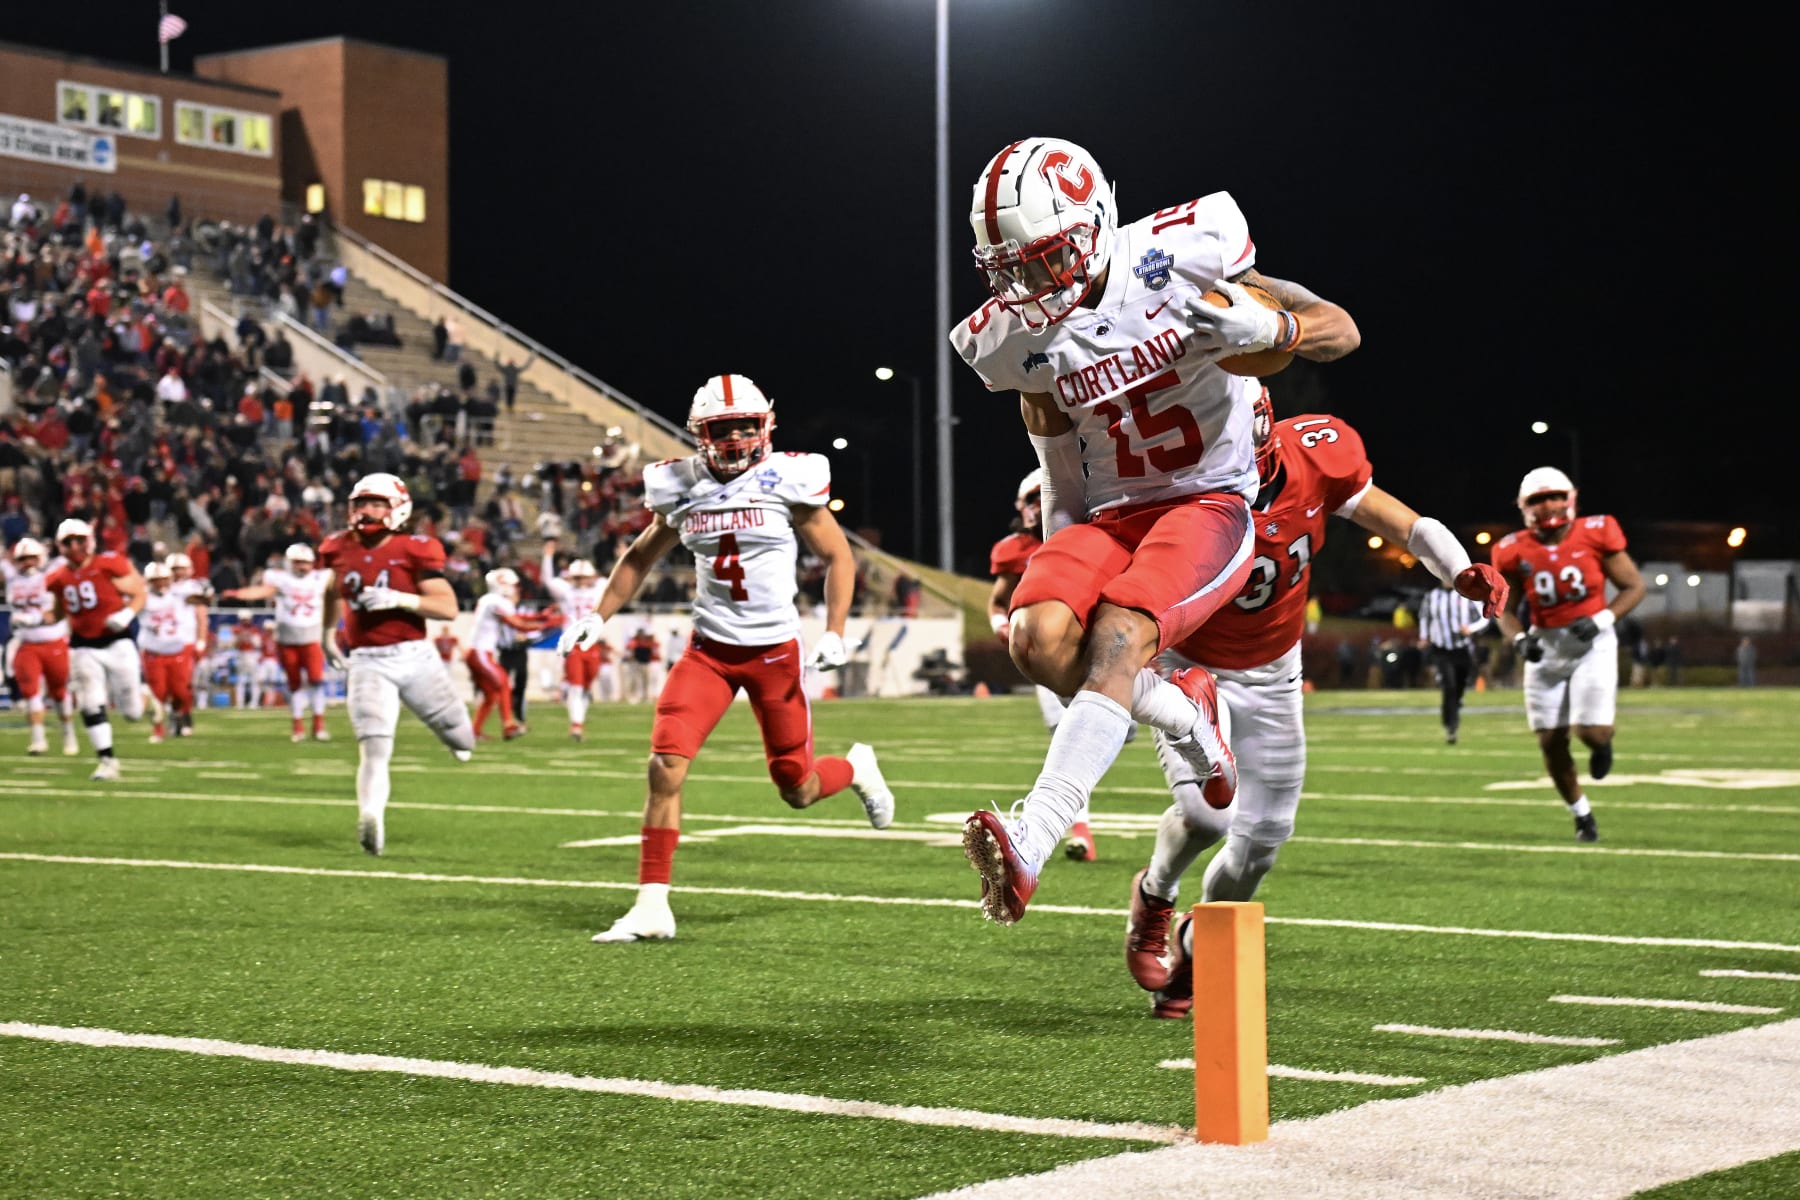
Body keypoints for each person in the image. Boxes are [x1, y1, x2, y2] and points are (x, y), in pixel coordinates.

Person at [948, 136, 1361, 924]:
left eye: (1043, 259)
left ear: (1096, 222)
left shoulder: (1189, 249)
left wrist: (1278, 336)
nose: (1027, 285)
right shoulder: (1010, 336)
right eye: (1010, 268)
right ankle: (1181, 707)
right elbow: (1055, 453)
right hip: (1112, 511)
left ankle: (1035, 831)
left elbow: (1338, 327)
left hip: (1206, 501)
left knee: (1120, 636)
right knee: (1034, 639)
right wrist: (1060, 556)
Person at [1123, 398, 1506, 1017]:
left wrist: (1458, 570)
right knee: (1208, 817)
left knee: (1263, 840)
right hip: (1188, 666)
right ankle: (1154, 895)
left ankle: (1196, 947)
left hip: (1275, 672)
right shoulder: (1167, 482)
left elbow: (1401, 523)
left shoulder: (1315, 453)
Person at [558, 373, 897, 943]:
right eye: (724, 427)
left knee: (797, 788)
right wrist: (597, 615)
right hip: (709, 653)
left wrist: (835, 630)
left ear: (765, 426)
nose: (738, 437)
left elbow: (839, 557)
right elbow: (638, 558)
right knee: (664, 764)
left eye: (746, 425)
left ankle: (856, 767)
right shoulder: (678, 486)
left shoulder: (789, 478)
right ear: (700, 433)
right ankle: (651, 904)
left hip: (773, 655)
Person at [319, 473, 477, 855]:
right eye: (361, 503)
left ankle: (445, 732)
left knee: (463, 740)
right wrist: (326, 635)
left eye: (377, 503)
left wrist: (400, 599)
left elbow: (448, 607)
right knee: (374, 747)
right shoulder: (338, 547)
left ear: (398, 509)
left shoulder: (415, 548)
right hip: (368, 662)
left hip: (415, 657)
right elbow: (330, 590)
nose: (367, 511)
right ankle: (371, 815)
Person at [1491, 467, 1646, 843]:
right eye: (1537, 500)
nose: (1546, 506)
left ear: (1570, 497)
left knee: (1589, 732)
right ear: (1522, 506)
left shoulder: (1597, 531)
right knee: (1549, 740)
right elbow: (1501, 607)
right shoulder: (1510, 549)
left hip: (1592, 641)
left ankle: (1603, 743)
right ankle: (1582, 815)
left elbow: (1633, 586)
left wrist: (1602, 618)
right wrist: (1517, 639)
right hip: (1545, 644)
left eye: (1553, 497)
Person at [988, 467, 1114, 862]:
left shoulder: (1091, 536)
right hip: (1050, 654)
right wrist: (1000, 623)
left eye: (1041, 495)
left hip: (1100, 648)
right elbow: (998, 599)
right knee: (1067, 732)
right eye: (1030, 498)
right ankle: (1078, 828)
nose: (1036, 506)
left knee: (1115, 729)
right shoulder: (1014, 549)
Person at [45, 519, 147, 781]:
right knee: (89, 703)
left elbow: (139, 592)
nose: (75, 546)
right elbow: (59, 611)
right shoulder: (57, 577)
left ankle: (147, 697)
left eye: (79, 539)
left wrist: (126, 615)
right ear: (60, 545)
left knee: (132, 713)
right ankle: (107, 760)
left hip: (116, 640)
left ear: (89, 540)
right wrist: (37, 619)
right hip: (82, 645)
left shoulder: (108, 564)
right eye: (68, 542)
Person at [222, 544, 333, 742]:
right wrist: (240, 594)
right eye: (297, 562)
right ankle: (297, 725)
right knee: (294, 684)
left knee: (317, 680)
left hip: (311, 639)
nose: (302, 567)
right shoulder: (281, 579)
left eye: (305, 563)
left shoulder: (321, 578)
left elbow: (339, 586)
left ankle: (318, 724)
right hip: (287, 639)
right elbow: (264, 591)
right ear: (289, 563)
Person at [3, 538, 81, 756]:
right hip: (27, 643)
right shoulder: (10, 578)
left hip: (53, 640)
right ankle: (38, 739)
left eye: (32, 558)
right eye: (23, 559)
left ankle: (68, 732)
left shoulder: (53, 574)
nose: (28, 562)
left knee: (59, 692)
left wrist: (35, 619)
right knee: (30, 692)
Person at [466, 567, 553, 740]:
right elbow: (517, 624)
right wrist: (544, 625)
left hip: (480, 653)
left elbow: (518, 619)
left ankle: (474, 731)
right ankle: (509, 725)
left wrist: (541, 616)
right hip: (480, 653)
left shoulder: (492, 600)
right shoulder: (494, 601)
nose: (514, 588)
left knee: (491, 695)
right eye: (511, 584)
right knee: (504, 683)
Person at [541, 543, 608, 739]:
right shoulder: (566, 591)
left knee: (586, 687)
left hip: (592, 643)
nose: (580, 581)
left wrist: (622, 555)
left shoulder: (599, 589)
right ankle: (576, 725)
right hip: (573, 645)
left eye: (583, 577)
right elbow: (547, 580)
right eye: (577, 577)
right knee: (577, 686)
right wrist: (547, 557)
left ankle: (579, 721)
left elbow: (617, 580)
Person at [1418, 577, 1490, 744]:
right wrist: (1424, 637)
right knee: (1448, 686)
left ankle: (1453, 709)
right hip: (1441, 648)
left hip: (1462, 648)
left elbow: (1485, 616)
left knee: (1458, 687)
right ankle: (1451, 725)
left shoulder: (1467, 596)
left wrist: (1470, 628)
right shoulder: (1432, 596)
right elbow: (1424, 617)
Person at [137, 563, 202, 743]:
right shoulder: (142, 597)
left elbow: (203, 601)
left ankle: (179, 715)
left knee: (181, 691)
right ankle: (158, 728)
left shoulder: (179, 594)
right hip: (153, 651)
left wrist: (202, 595)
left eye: (163, 579)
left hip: (176, 649)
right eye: (156, 580)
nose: (160, 584)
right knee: (158, 692)